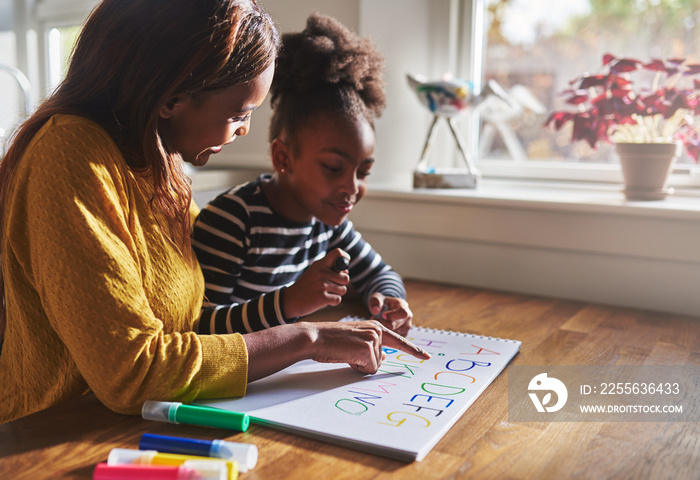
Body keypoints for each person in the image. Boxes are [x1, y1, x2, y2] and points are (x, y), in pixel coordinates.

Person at [0, 0, 429, 425]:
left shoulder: (162, 163)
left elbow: (193, 320)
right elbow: (131, 373)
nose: (244, 130)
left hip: (156, 419)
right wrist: (308, 337)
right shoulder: (68, 155)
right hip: (50, 438)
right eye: (239, 113)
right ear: (172, 96)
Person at [192, 13, 414, 338]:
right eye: (333, 168)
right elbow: (201, 327)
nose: (351, 188)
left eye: (363, 172)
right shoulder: (232, 221)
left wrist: (388, 298)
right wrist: (288, 304)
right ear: (283, 157)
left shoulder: (327, 225)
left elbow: (380, 273)